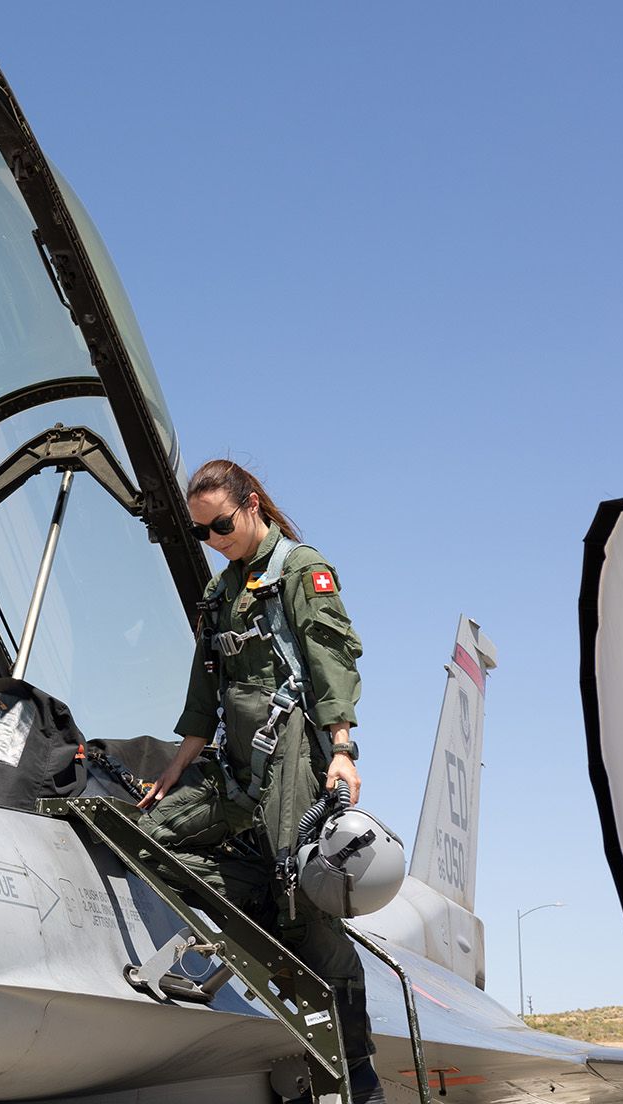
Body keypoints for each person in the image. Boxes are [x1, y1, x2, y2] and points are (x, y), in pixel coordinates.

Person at [136, 458, 380, 1103]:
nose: (214, 540)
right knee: (149, 839)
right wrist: (176, 764)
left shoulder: (300, 572)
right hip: (232, 765)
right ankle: (263, 902)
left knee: (306, 907)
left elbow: (331, 662)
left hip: (293, 756)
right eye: (201, 533)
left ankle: (358, 1067)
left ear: (253, 506)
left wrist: (343, 749)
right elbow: (203, 689)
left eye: (221, 525)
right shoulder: (220, 595)